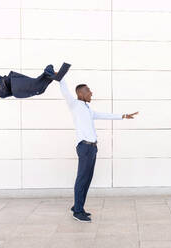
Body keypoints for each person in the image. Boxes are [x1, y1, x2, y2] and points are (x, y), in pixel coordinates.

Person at [59, 74, 138, 222]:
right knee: (82, 179)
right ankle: (77, 211)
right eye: (88, 91)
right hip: (85, 147)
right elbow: (64, 89)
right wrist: (60, 76)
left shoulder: (87, 108)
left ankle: (79, 206)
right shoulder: (75, 104)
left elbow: (104, 115)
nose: (91, 93)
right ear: (81, 93)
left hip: (92, 148)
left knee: (87, 179)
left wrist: (123, 116)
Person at [0, 62, 70, 98]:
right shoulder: (11, 87)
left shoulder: (12, 89)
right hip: (15, 84)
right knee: (38, 86)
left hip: (15, 86)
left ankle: (50, 72)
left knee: (37, 86)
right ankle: (50, 73)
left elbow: (1, 95)